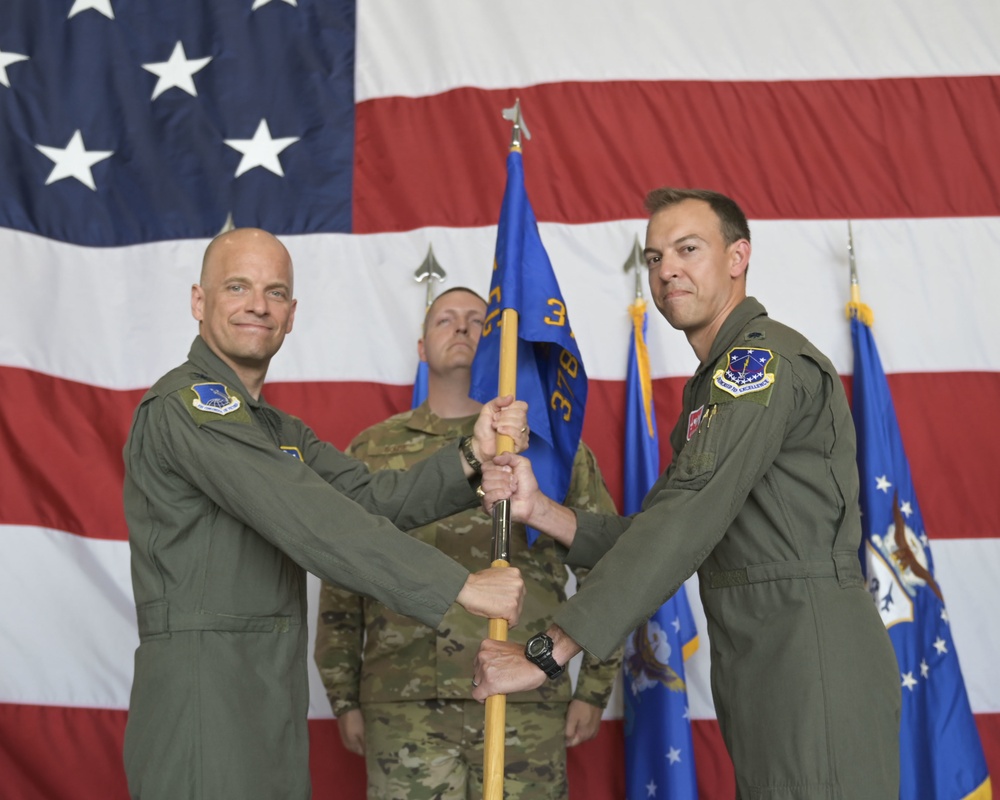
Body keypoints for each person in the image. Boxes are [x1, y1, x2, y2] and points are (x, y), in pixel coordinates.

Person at [474, 189, 902, 798]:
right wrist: (540, 511)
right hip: (765, 652)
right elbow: (663, 527)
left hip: (809, 650)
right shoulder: (715, 386)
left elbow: (683, 525)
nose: (665, 268)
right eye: (653, 257)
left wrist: (548, 651)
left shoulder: (758, 365)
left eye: (687, 249)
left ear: (738, 257)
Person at [121, 228, 528, 800]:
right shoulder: (188, 407)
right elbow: (309, 517)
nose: (258, 305)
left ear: (291, 315)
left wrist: (472, 455)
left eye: (275, 292)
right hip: (203, 692)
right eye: (237, 286)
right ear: (199, 301)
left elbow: (370, 498)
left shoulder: (276, 430)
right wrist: (460, 585)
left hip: (268, 688)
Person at [314, 287, 621, 800]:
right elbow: (343, 579)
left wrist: (594, 687)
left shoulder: (550, 450)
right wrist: (344, 699)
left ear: (497, 343)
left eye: (478, 320)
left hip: (525, 693)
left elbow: (607, 568)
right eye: (445, 320)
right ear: (420, 347)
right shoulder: (372, 450)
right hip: (403, 705)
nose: (461, 328)